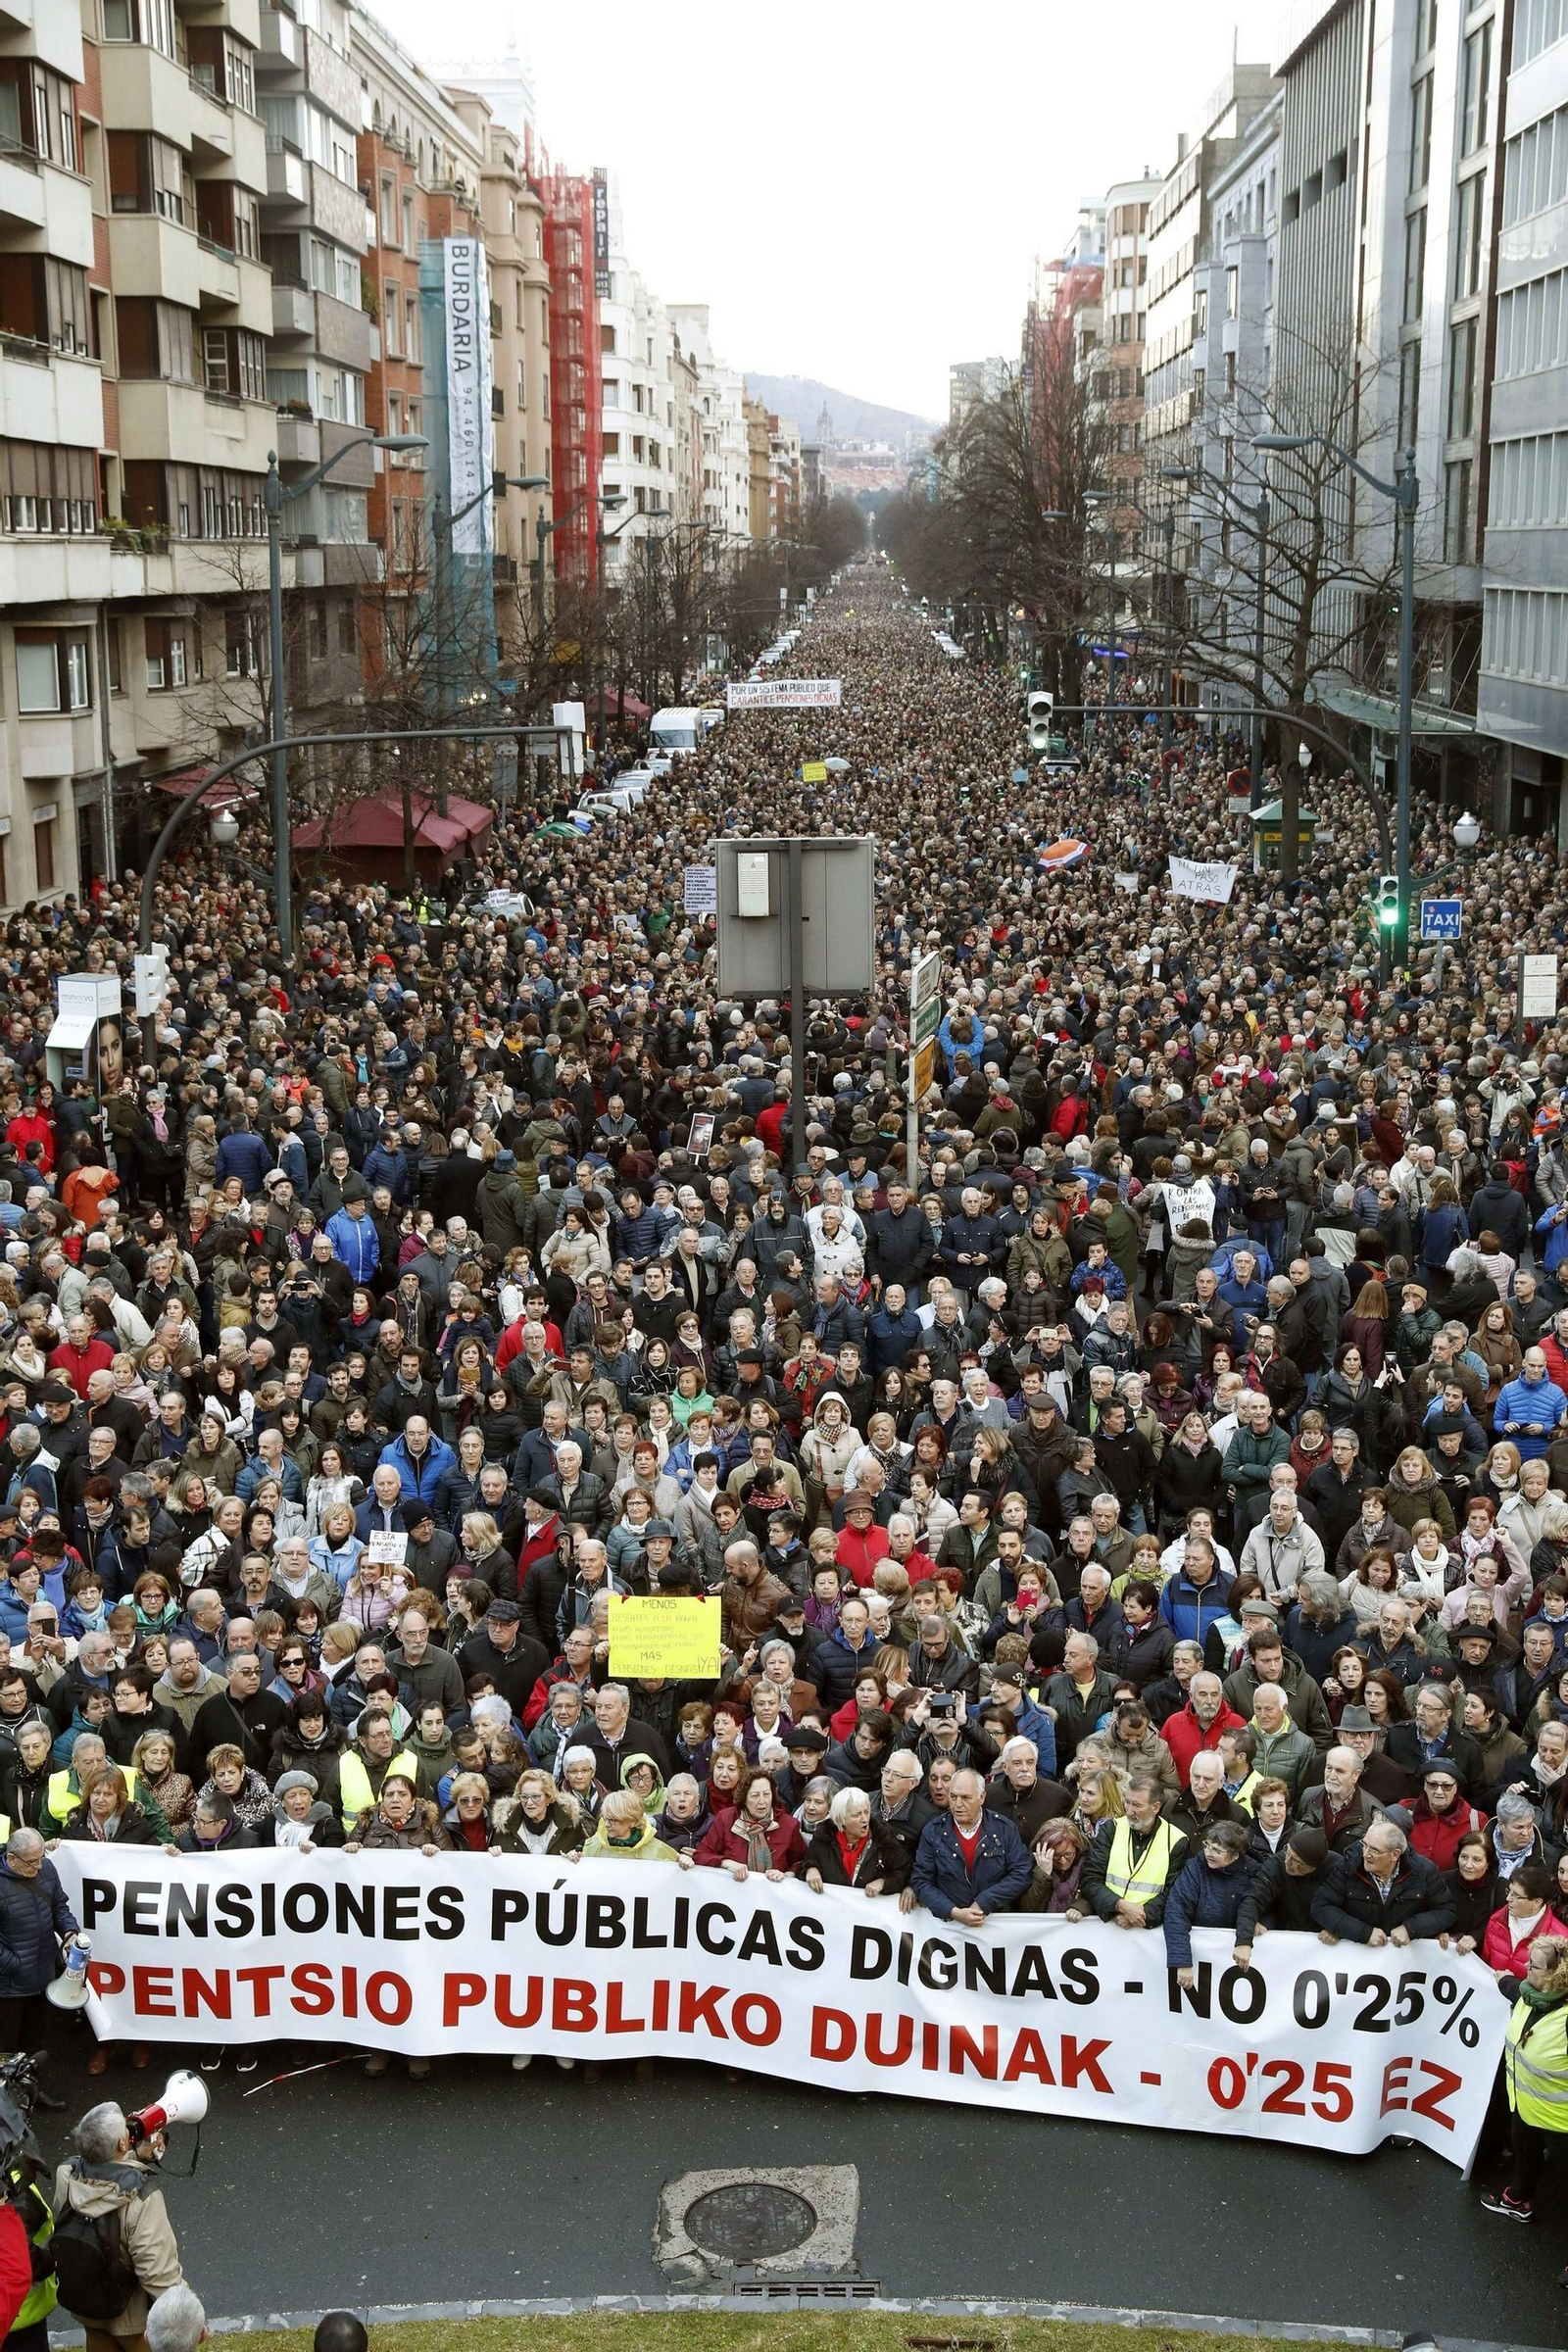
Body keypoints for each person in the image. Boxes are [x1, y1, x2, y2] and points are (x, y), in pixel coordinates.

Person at [51, 2101, 186, 2352]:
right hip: (131, 2317)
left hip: (87, 2304)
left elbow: (99, 2172)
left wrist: (132, 2157)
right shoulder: (142, 2196)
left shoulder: (66, 2174)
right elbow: (158, 2274)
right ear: (122, 2145)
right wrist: (187, 2316)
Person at [1481, 1935, 1568, 2236]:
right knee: (1524, 2151)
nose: (1527, 1969)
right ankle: (1518, 2199)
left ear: (1556, 1974)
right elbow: (1508, 1984)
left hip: (1561, 2121)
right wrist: (1501, 1976)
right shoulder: (1527, 1993)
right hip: (1526, 2106)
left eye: (1535, 1966)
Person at [0, 1831, 79, 2099]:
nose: (38, 1866)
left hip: (43, 1974)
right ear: (12, 1858)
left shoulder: (46, 1868)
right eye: (32, 1862)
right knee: (6, 2046)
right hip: (9, 1985)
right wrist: (14, 1964)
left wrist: (70, 1932)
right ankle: (6, 2100)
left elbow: (59, 1906)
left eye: (41, 1859)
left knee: (37, 2041)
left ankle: (31, 2091)